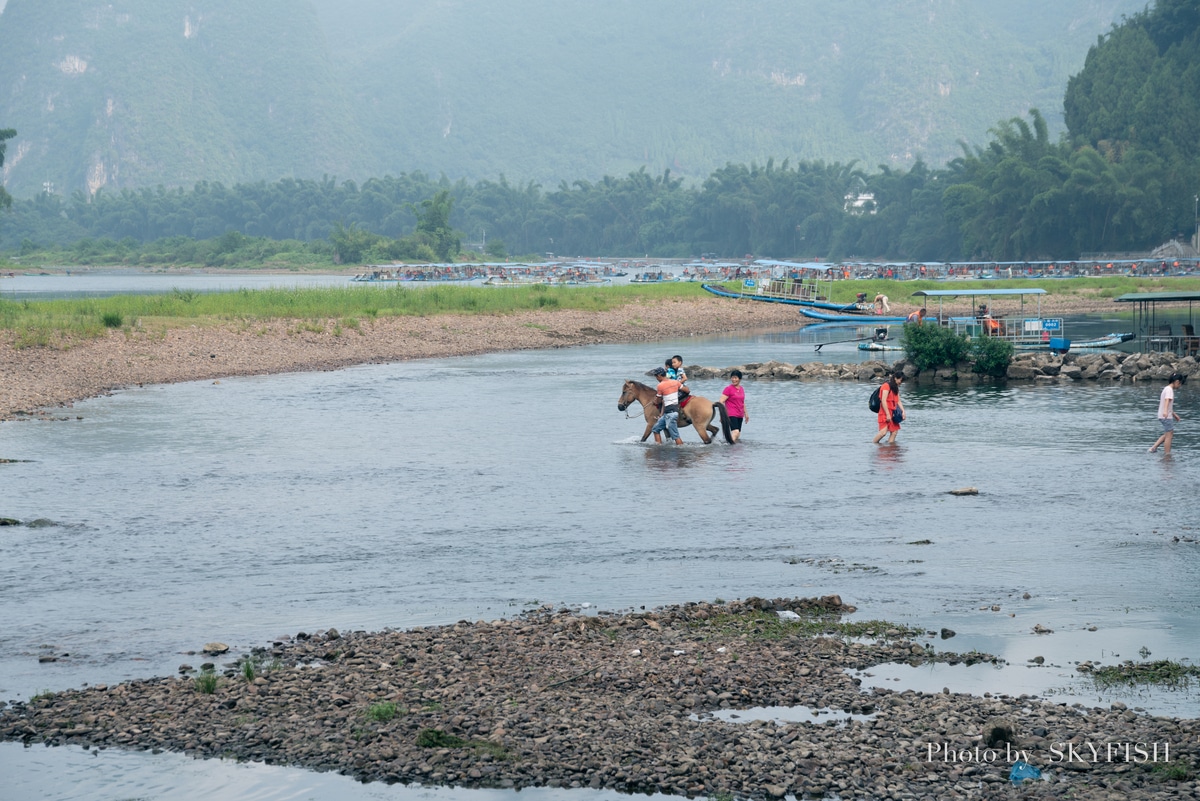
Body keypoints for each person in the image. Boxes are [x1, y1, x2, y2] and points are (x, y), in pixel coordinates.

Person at [1149, 373, 1184, 455]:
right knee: (1169, 435)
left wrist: (1174, 414)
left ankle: (1154, 448)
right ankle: (1167, 454)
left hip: (1163, 415)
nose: (1180, 386)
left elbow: (1168, 405)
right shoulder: (1169, 390)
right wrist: (1165, 412)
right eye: (1180, 384)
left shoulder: (1166, 389)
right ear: (1177, 382)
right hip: (1166, 416)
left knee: (1168, 433)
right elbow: (1167, 401)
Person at [650, 367, 684, 445]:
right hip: (667, 414)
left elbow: (658, 401)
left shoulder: (660, 385)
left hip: (670, 413)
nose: (656, 378)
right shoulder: (675, 382)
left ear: (659, 376)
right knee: (655, 429)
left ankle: (681, 450)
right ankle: (658, 447)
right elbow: (687, 390)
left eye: (656, 376)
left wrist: (656, 401)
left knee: (675, 436)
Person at [872, 370, 906, 445]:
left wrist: (903, 411)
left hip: (893, 413)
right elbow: (883, 400)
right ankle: (873, 445)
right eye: (901, 380)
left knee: (894, 432)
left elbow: (898, 401)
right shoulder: (886, 386)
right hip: (884, 412)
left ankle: (890, 450)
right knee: (883, 433)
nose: (901, 382)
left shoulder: (895, 388)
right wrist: (887, 414)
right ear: (895, 378)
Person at [718, 369, 748, 444]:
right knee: (735, 432)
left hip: (740, 414)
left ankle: (734, 451)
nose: (734, 380)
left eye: (736, 378)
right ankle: (727, 447)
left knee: (737, 435)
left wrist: (746, 414)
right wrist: (722, 415)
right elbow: (721, 402)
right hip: (731, 414)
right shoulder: (728, 389)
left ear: (740, 379)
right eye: (732, 378)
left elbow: (742, 402)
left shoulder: (741, 389)